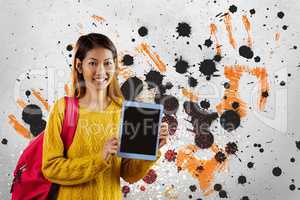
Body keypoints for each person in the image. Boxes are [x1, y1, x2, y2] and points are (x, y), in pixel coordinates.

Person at [42, 33, 168, 200]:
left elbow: (129, 174)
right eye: (93, 63)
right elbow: (51, 168)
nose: (101, 71)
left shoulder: (126, 111)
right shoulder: (63, 109)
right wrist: (99, 159)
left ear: (115, 66)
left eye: (108, 63)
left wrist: (153, 148)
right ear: (79, 66)